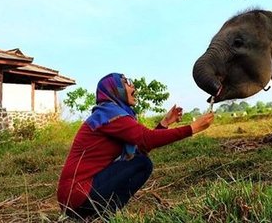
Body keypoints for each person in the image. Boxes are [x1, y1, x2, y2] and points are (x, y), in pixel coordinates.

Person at [57, 73, 214, 219]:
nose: (133, 87)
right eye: (127, 83)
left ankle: (105, 215)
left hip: (76, 198)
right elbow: (146, 139)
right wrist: (192, 128)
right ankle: (106, 215)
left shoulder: (110, 114)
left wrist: (165, 123)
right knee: (143, 164)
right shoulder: (108, 115)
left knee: (140, 160)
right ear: (114, 89)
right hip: (78, 196)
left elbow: (141, 147)